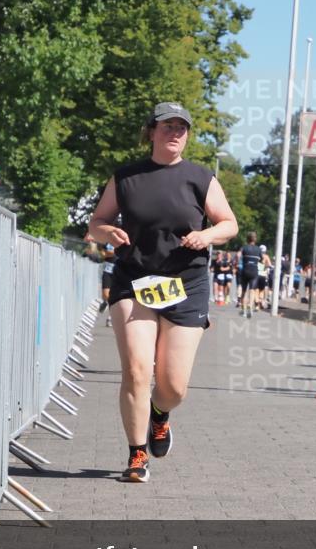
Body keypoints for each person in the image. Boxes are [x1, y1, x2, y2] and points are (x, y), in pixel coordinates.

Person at [88, 102, 238, 482]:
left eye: (181, 128)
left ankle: (160, 413)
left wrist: (206, 234)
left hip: (186, 284)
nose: (174, 133)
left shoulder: (200, 178)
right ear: (151, 131)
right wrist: (107, 232)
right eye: (167, 126)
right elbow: (96, 222)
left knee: (173, 386)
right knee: (137, 370)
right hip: (134, 281)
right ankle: (137, 454)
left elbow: (229, 224)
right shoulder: (126, 178)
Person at [238, 232, 263, 318]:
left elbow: (238, 255)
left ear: (247, 239)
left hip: (245, 270)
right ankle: (250, 309)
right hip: (254, 271)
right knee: (252, 291)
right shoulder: (258, 249)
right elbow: (262, 259)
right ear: (255, 239)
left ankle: (243, 311)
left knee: (244, 291)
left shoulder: (244, 248)